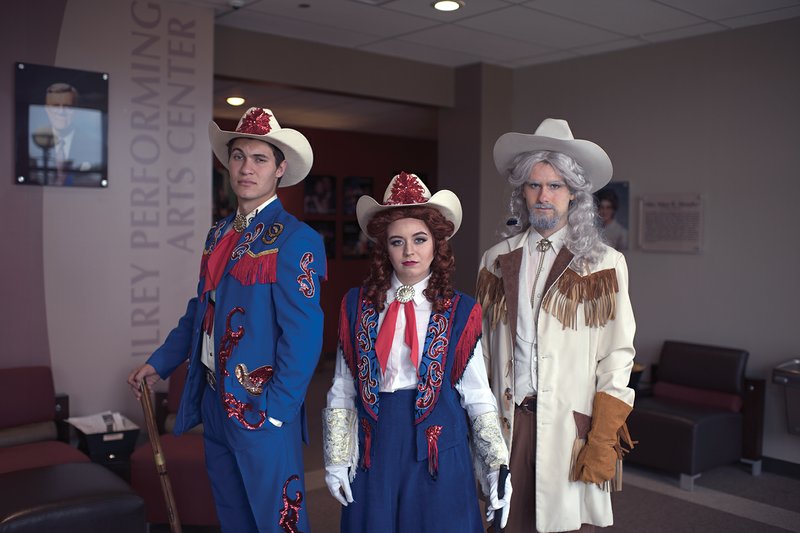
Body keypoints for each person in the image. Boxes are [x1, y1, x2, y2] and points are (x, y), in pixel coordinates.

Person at [128, 106, 325, 532]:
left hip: (262, 407)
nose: (246, 168)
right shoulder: (218, 233)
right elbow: (201, 310)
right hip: (215, 401)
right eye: (239, 156)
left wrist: (275, 412)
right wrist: (160, 362)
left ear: (280, 169)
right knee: (233, 518)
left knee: (278, 523)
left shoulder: (296, 239)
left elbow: (304, 336)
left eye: (260, 159)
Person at [323, 172, 512, 533]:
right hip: (374, 445)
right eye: (397, 241)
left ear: (437, 244)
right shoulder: (356, 305)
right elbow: (343, 387)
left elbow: (476, 394)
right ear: (384, 248)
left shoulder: (461, 310)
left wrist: (495, 464)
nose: (409, 252)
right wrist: (335, 457)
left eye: (420, 239)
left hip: (439, 445)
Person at [476, 119, 636, 533]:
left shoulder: (603, 263)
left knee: (559, 525)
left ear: (574, 195)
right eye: (534, 185)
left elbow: (617, 354)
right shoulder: (495, 260)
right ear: (521, 193)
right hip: (508, 419)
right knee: (504, 521)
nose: (543, 196)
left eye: (555, 186)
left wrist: (602, 437)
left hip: (569, 424)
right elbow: (480, 351)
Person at [39, 82, 103, 185]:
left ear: (76, 110)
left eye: (67, 106)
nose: (61, 112)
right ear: (47, 109)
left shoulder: (92, 145)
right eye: (55, 106)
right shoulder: (36, 140)